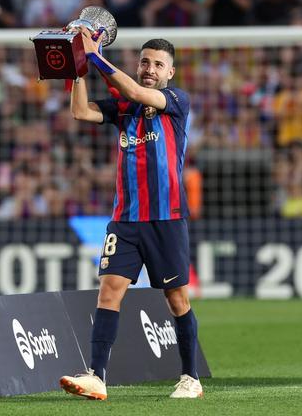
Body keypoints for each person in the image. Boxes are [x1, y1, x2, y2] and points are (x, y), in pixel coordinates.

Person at [59, 28, 202, 400]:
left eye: (158, 64)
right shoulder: (123, 108)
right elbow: (80, 111)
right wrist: (77, 69)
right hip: (124, 219)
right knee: (109, 292)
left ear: (170, 72)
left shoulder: (176, 101)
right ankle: (96, 376)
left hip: (165, 218)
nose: (149, 68)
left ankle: (191, 378)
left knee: (177, 299)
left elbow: (137, 92)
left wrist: (93, 55)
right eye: (144, 62)